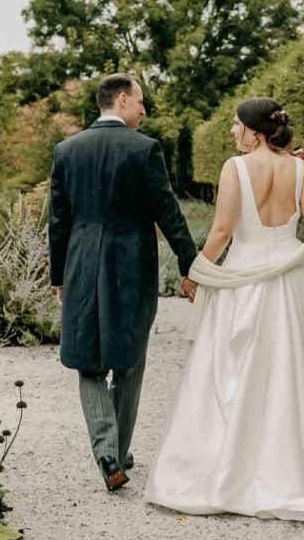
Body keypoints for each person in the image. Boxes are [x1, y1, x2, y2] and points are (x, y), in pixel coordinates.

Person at [144, 96, 304, 520]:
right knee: (287, 369)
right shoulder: (300, 169)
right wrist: (295, 252)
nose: (233, 131)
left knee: (233, 369)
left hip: (244, 278)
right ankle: (290, 466)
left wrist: (198, 271)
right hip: (291, 278)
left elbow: (222, 230)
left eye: (237, 125)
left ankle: (232, 468)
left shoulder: (235, 168)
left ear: (254, 132)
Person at [48, 73, 198, 492]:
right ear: (122, 100)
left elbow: (58, 221)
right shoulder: (144, 149)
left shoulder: (67, 150)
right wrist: (190, 264)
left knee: (88, 360)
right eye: (140, 101)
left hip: (81, 263)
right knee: (130, 358)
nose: (144, 110)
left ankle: (108, 452)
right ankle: (116, 452)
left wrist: (58, 275)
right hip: (131, 265)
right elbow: (168, 211)